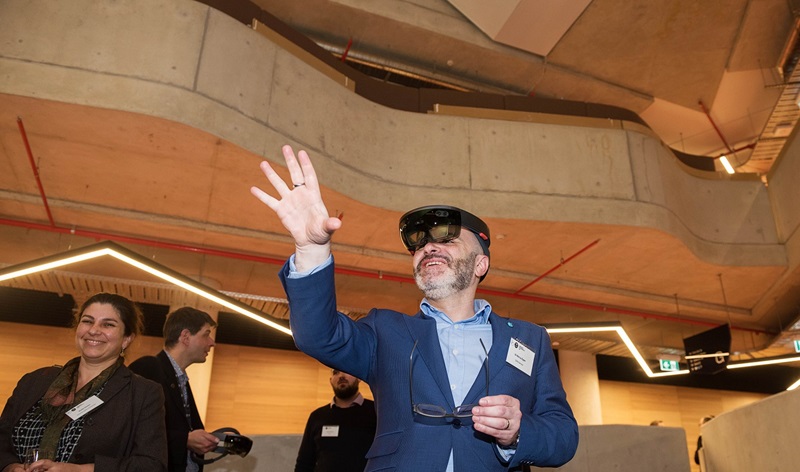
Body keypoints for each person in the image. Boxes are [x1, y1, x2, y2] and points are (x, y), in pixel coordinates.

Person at [251, 145, 579, 471]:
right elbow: (316, 336)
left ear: (481, 265)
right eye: (420, 244)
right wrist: (311, 249)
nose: (428, 247)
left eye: (447, 239)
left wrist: (519, 432)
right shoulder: (385, 331)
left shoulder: (530, 339)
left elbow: (563, 435)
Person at [0, 292, 168, 472]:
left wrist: (80, 470)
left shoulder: (143, 393)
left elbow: (152, 465)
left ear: (126, 339)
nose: (94, 330)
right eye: (88, 321)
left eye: (108, 324)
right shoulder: (34, 381)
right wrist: (10, 467)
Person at [128, 307, 219, 472]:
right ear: (185, 337)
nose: (212, 342)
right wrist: (184, 439)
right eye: (206, 334)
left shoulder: (181, 379)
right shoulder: (148, 367)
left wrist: (214, 440)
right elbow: (131, 428)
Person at [295, 368, 377, 472]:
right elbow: (304, 463)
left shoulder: (376, 412)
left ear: (359, 377)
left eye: (346, 370)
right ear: (331, 380)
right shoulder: (317, 416)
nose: (341, 376)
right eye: (336, 372)